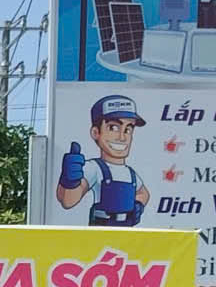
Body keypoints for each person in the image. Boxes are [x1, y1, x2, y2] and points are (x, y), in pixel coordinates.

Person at [54, 93, 151, 227]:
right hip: (100, 234)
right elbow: (68, 201)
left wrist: (138, 204)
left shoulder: (131, 174)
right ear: (96, 132)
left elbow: (143, 193)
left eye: (128, 129)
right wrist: (69, 182)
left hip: (126, 234)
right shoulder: (94, 168)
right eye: (113, 128)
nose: (122, 137)